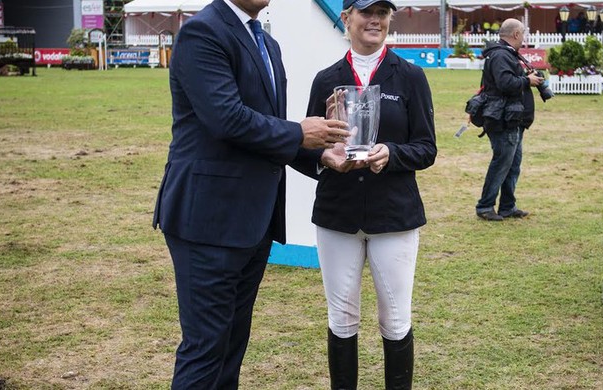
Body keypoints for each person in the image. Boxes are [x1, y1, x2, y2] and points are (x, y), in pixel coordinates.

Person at [151, 0, 350, 388]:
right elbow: (226, 119)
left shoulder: (266, 43)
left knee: (231, 345)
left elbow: (266, 131)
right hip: (207, 221)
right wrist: (299, 133)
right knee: (206, 348)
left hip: (252, 221)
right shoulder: (202, 32)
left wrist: (321, 155)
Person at [305, 0, 437, 388]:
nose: (375, 20)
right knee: (341, 318)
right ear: (346, 19)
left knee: (394, 319)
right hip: (337, 212)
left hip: (393, 214)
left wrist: (391, 153)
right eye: (366, 12)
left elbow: (426, 148)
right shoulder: (326, 78)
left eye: (383, 12)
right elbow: (308, 146)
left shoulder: (410, 76)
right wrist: (327, 157)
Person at [474, 19, 543, 222]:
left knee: (512, 164)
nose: (524, 38)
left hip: (511, 117)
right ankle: (485, 206)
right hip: (503, 118)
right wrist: (527, 80)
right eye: (523, 34)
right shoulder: (502, 55)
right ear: (515, 35)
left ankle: (507, 205)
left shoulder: (504, 54)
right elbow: (505, 84)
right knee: (502, 162)